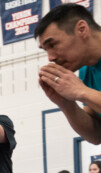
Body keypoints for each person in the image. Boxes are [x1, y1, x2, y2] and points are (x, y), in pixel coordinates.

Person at [36, 5, 101, 146]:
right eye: (45, 50)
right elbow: (96, 135)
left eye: (52, 45)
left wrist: (81, 91)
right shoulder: (86, 71)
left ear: (81, 29)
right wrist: (66, 104)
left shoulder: (82, 87)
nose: (50, 58)